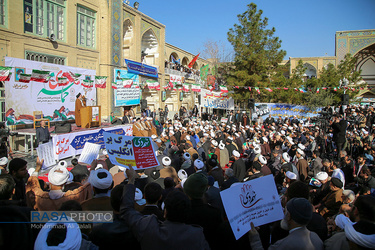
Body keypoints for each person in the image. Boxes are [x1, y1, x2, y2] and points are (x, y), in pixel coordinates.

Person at [120, 165, 210, 250]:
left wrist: (131, 180)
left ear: (165, 212)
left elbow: (127, 210)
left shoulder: (149, 228)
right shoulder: (197, 236)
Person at [249, 198, 323, 250]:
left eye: (285, 211)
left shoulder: (285, 244)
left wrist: (255, 239)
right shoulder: (316, 238)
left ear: (289, 216)